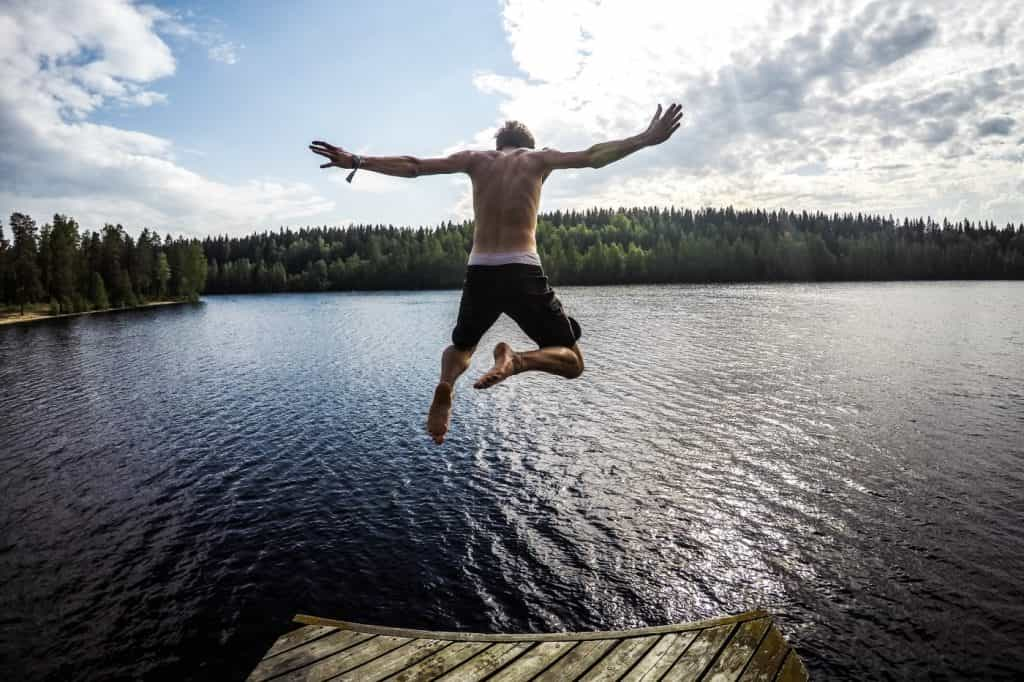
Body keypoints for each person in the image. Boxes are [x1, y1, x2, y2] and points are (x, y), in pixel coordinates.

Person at [310, 103, 684, 444]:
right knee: (572, 361)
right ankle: (517, 360)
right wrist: (646, 139)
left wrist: (357, 160)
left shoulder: (476, 159)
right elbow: (593, 157)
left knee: (461, 347)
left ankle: (445, 385)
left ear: (499, 143)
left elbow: (415, 166)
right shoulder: (539, 159)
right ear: (527, 144)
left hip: (481, 271)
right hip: (523, 268)